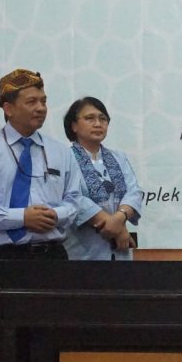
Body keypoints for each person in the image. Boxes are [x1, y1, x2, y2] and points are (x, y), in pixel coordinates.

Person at [0, 69, 83, 260]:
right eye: (31, 102)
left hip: (52, 256)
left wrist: (54, 215)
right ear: (8, 109)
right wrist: (23, 218)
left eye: (43, 101)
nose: (41, 108)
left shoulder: (61, 151)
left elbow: (74, 201)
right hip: (1, 258)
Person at [62, 97, 143, 260]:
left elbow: (134, 191)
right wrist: (114, 227)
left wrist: (120, 217)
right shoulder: (64, 158)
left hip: (120, 250)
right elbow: (73, 198)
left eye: (103, 119)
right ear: (74, 126)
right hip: (83, 249)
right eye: (89, 118)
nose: (98, 124)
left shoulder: (119, 157)